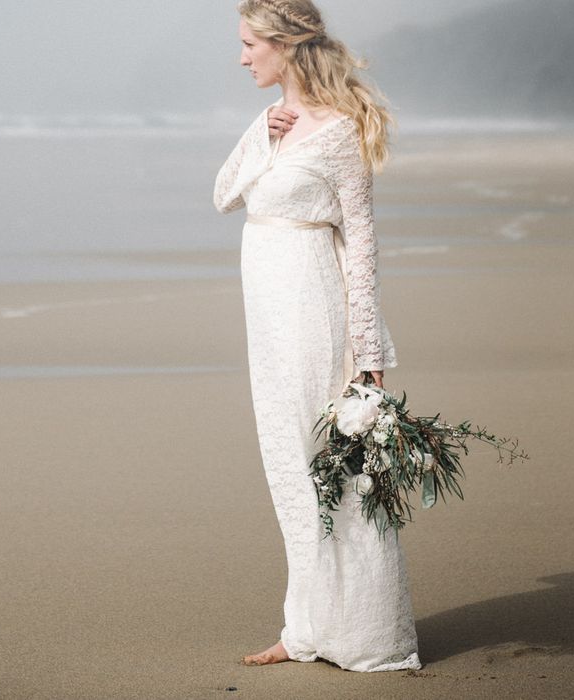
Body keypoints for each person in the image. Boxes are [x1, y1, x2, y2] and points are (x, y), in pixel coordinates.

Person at [214, 0, 421, 673]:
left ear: (283, 44)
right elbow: (223, 194)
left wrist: (367, 354)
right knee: (287, 470)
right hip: (268, 326)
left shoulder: (339, 131)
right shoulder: (273, 124)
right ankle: (303, 627)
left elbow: (360, 244)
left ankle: (367, 635)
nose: (242, 57)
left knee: (328, 471)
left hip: (312, 314)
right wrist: (261, 136)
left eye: (250, 44)